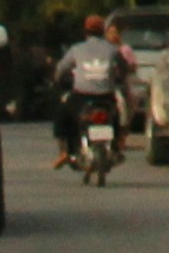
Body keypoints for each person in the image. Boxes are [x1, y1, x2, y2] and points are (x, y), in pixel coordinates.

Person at [54, 14, 133, 168]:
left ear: (86, 32)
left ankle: (64, 151)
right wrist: (119, 78)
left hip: (81, 97)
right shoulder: (113, 50)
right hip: (106, 96)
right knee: (115, 115)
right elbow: (124, 69)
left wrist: (58, 80)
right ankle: (116, 146)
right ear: (103, 31)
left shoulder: (77, 49)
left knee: (64, 114)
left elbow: (61, 68)